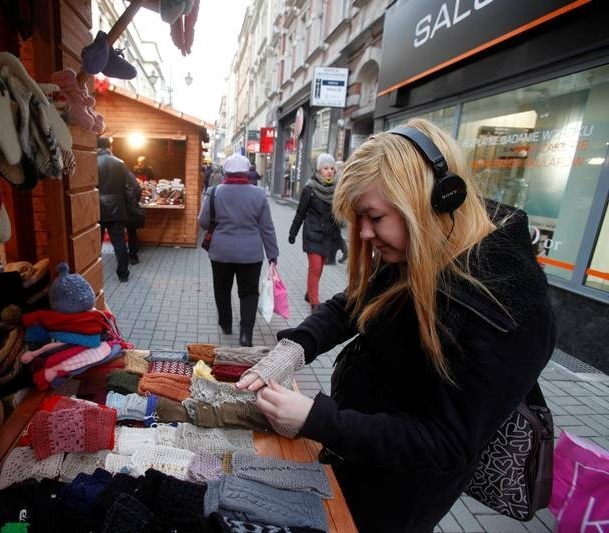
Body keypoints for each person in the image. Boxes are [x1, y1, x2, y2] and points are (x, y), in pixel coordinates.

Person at [237, 119, 555, 532]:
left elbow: (448, 443)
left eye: (373, 217)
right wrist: (295, 348)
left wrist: (318, 420)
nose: (365, 234)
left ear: (429, 201)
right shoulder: (429, 245)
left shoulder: (507, 308)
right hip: (357, 454)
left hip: (400, 495)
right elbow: (354, 303)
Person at [198, 153, 279, 347]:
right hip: (250, 254)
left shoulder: (214, 192)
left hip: (221, 252)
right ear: (247, 171)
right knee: (249, 293)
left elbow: (202, 222)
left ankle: (226, 324)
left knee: (222, 289)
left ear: (226, 171)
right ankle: (246, 335)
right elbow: (267, 227)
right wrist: (272, 255)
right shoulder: (259, 194)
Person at [288, 153, 344, 311]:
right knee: (315, 267)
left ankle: (309, 293)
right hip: (312, 233)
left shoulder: (336, 190)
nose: (329, 171)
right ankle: (314, 301)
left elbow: (338, 215)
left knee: (320, 268)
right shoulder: (310, 189)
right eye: (326, 168)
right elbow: (300, 212)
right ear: (319, 170)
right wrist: (293, 233)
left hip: (327, 235)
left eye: (332, 168)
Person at [97, 137, 138, 282]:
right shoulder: (120, 163)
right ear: (110, 146)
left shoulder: (91, 162)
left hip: (97, 208)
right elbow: (130, 188)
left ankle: (94, 274)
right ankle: (123, 274)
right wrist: (130, 206)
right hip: (117, 209)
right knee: (119, 243)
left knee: (95, 245)